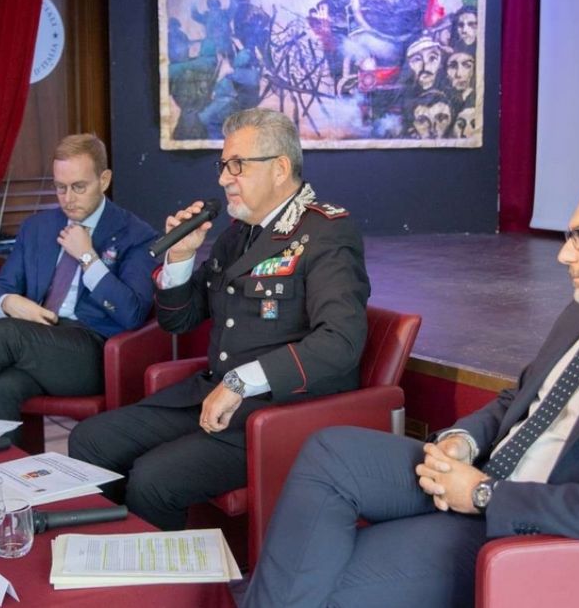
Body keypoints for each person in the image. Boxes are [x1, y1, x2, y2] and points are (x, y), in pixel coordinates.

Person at [245, 173, 579, 607]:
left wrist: (487, 495)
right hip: (479, 475)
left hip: (521, 527)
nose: (563, 256)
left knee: (327, 585)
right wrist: (462, 440)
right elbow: (524, 399)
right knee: (330, 450)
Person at [68, 108, 371, 531]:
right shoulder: (238, 234)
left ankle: (166, 592)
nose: (223, 178)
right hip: (214, 397)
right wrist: (181, 256)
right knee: (90, 440)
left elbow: (341, 341)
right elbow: (180, 320)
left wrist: (240, 382)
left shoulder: (325, 232)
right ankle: (114, 561)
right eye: (223, 165)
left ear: (280, 168)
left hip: (277, 414)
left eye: (237, 166)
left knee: (154, 479)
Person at [0, 134, 158, 425]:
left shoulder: (136, 234)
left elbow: (132, 313)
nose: (68, 198)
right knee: (0, 389)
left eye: (79, 187)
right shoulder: (37, 228)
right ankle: (0, 467)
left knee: (6, 333)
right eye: (60, 188)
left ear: (104, 180)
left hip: (94, 353)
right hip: (37, 341)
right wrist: (10, 302)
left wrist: (88, 258)